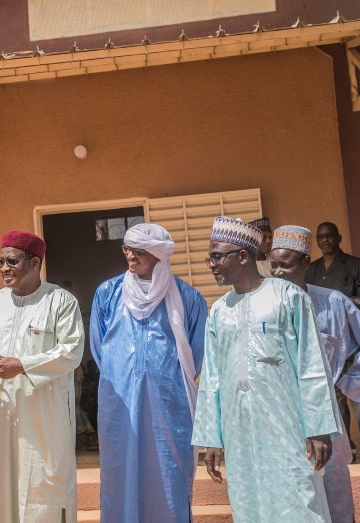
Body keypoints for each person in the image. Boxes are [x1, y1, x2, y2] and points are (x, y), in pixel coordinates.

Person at [192, 216, 340, 522]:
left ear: (243, 257)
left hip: (288, 428)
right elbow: (212, 378)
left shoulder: (288, 297)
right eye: (211, 258)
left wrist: (318, 427)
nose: (211, 264)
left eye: (217, 257)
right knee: (249, 501)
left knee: (299, 498)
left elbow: (312, 364)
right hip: (239, 431)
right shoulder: (219, 310)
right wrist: (212, 438)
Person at [269, 225, 360, 523]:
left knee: (334, 491)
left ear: (305, 263)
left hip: (326, 414)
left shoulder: (332, 302)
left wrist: (346, 384)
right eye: (273, 265)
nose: (277, 272)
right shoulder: (263, 306)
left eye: (285, 265)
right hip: (278, 416)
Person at [90, 223, 207, 522]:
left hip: (170, 405)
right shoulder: (108, 293)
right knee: (120, 474)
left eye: (138, 250)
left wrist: (161, 378)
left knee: (169, 475)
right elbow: (100, 348)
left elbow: (196, 352)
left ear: (158, 254)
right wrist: (126, 378)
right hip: (120, 403)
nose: (130, 254)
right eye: (126, 248)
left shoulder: (188, 298)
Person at [0, 231, 84, 523]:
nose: (4, 268)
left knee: (44, 482)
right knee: (0, 483)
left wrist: (23, 365)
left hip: (43, 413)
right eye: (0, 261)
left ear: (34, 263)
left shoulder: (60, 301)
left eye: (11, 261)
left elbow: (71, 351)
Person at [305, 221, 360, 466]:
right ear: (317, 241)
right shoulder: (312, 270)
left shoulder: (356, 265)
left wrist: (338, 304)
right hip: (325, 342)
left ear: (338, 238)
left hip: (352, 338)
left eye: (330, 236)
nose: (325, 240)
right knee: (334, 397)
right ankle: (346, 449)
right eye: (321, 237)